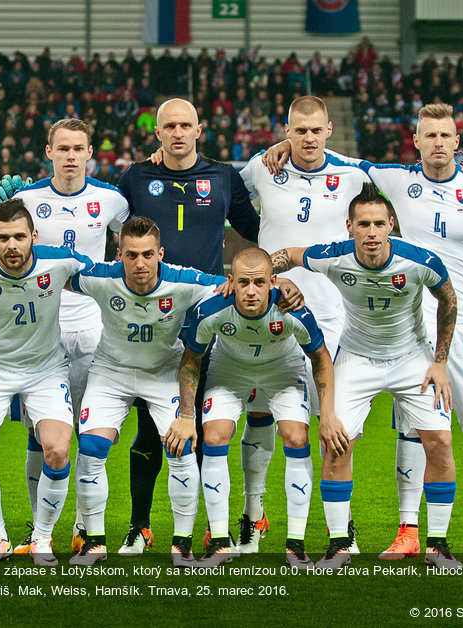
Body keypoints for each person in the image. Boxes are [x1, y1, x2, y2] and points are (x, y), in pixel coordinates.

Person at [264, 103, 463, 562]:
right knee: (413, 433)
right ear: (417, 140)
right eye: (430, 135)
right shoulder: (394, 181)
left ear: (457, 142)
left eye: (446, 136)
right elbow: (337, 159)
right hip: (412, 323)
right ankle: (407, 529)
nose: (438, 143)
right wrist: (290, 143)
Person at [271, 183, 462, 568]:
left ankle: (437, 544)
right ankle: (340, 543)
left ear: (391, 225)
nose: (371, 232)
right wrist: (260, 275)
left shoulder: (420, 260)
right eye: (363, 224)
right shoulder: (334, 256)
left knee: (440, 441)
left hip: (412, 358)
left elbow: (449, 299)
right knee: (335, 442)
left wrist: (439, 361)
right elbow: (289, 255)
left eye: (378, 224)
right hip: (357, 357)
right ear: (349, 227)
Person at [115, 98, 261, 556]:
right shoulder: (137, 177)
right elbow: (108, 228)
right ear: (157, 133)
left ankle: (208, 527)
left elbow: (256, 230)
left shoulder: (222, 177)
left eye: (185, 125)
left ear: (200, 129)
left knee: (197, 421)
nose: (178, 133)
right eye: (169, 126)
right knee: (148, 427)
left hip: (206, 313)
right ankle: (140, 527)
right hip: (150, 316)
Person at [235, 95, 370, 552]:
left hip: (333, 318)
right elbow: (209, 182)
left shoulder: (354, 174)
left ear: (329, 130)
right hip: (267, 316)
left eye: (316, 130)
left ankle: (342, 528)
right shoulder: (261, 167)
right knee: (259, 416)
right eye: (299, 130)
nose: (308, 138)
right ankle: (253, 518)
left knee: (335, 424)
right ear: (286, 129)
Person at [0, 118, 129, 555]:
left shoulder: (111, 201)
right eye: (62, 148)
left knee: (89, 432)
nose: (70, 156)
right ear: (48, 152)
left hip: (91, 325)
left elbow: (130, 252)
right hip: (40, 327)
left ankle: (88, 528)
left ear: (91, 152)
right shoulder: (26, 200)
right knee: (40, 431)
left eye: (78, 148)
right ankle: (39, 529)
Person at [68, 216, 226, 566]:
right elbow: (48, 274)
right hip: (111, 372)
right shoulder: (100, 277)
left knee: (182, 447)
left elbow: (233, 286)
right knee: (91, 447)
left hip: (163, 373)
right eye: (131, 255)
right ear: (119, 253)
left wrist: (280, 288)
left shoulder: (184, 281)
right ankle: (93, 541)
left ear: (161, 254)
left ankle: (181, 544)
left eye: (148, 254)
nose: (140, 263)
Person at [0, 199, 93, 566]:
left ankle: (42, 537)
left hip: (46, 369)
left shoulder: (60, 260)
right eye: (4, 238)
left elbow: (111, 277)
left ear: (34, 236)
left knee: (57, 450)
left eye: (20, 237)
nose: (12, 245)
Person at [179, 247, 340, 567]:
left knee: (296, 437)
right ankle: (221, 542)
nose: (251, 291)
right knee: (214, 436)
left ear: (274, 282)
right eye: (243, 283)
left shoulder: (293, 310)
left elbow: (320, 358)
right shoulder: (210, 310)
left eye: (259, 282)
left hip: (282, 369)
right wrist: (186, 415)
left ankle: (295, 544)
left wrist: (329, 414)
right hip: (230, 370)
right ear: (230, 282)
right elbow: (191, 360)